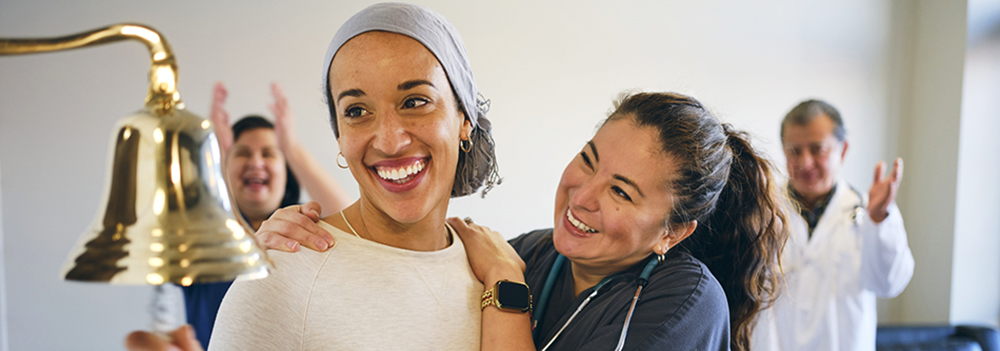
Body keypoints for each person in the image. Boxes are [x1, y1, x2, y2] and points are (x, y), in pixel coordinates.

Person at [447, 92, 788, 351]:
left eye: (621, 193)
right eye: (587, 160)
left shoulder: (687, 304)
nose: (581, 197)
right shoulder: (532, 252)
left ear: (672, 233)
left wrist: (506, 283)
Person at [180, 82, 352, 348]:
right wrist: (213, 155)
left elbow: (350, 222)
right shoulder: (202, 238)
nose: (256, 162)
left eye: (269, 153)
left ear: (287, 173)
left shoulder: (303, 225)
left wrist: (291, 147)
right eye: (242, 153)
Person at [751, 99, 914, 351]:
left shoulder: (868, 211)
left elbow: (889, 283)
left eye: (818, 149)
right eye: (794, 150)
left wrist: (879, 220)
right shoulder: (761, 213)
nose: (805, 162)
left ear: (843, 149)